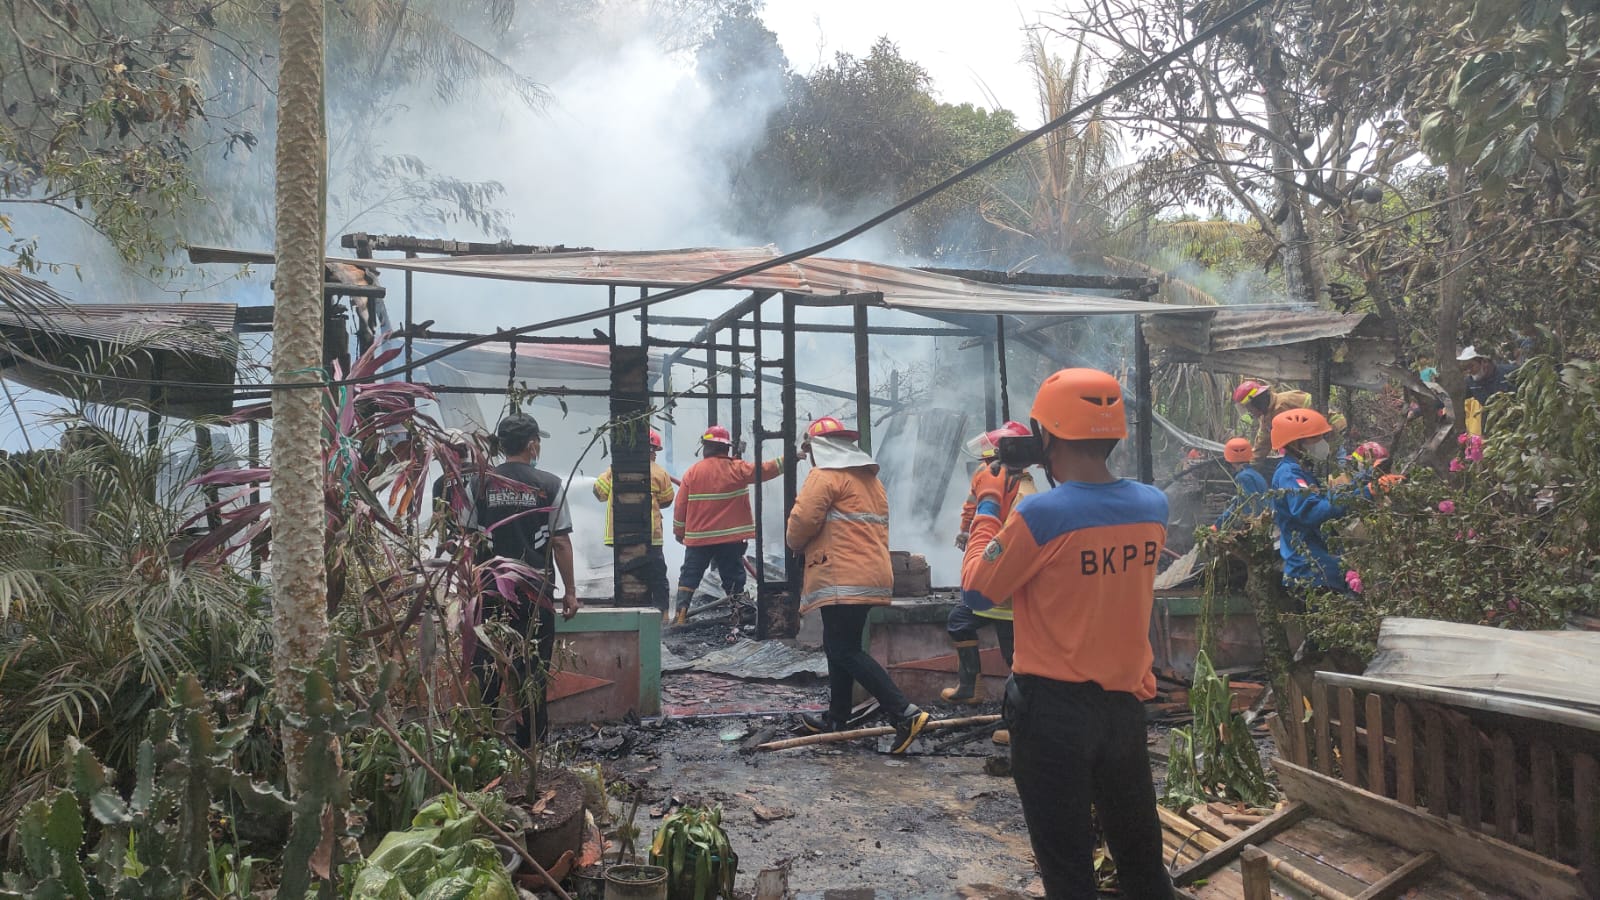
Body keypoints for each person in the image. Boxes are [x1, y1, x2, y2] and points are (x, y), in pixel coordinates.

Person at [961, 368, 1174, 900]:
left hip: (1052, 713)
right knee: (1142, 863)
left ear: (1047, 435)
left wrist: (989, 503)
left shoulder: (1038, 513)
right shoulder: (1153, 506)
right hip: (1123, 708)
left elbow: (978, 592)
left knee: (1068, 870)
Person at [789, 416, 930, 753]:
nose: (809, 456)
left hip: (842, 576)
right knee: (839, 644)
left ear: (819, 448)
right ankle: (836, 718)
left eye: (810, 449)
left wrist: (795, 544)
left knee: (843, 648)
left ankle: (904, 712)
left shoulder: (824, 477)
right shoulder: (869, 480)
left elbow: (801, 523)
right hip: (869, 575)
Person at [474, 413, 578, 749]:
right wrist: (571, 593)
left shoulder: (479, 482)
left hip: (488, 592)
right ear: (532, 444)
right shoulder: (548, 484)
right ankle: (532, 746)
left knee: (486, 667)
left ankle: (483, 745)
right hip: (535, 595)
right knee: (532, 670)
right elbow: (560, 541)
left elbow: (466, 539)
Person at [943, 423, 1036, 747]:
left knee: (1018, 663)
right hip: (991, 591)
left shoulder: (1023, 492)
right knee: (958, 621)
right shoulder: (994, 482)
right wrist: (967, 530)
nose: (983, 466)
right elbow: (976, 508)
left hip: (1009, 595)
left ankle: (1017, 726)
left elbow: (1009, 544)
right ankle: (970, 687)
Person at [671, 425, 782, 624]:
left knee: (690, 574)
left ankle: (680, 615)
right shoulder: (737, 469)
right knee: (733, 577)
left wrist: (679, 532)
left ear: (706, 447)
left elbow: (680, 506)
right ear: (726, 448)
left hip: (699, 539)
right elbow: (765, 470)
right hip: (730, 540)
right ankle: (738, 614)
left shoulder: (692, 472)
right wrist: (788, 459)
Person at [1268, 408, 1360, 596]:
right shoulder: (1289, 475)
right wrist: (1362, 494)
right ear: (1295, 443)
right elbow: (1312, 512)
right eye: (1315, 438)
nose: (1322, 443)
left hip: (1322, 568)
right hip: (1312, 572)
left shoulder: (1302, 472)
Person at [593, 427, 676, 615]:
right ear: (651, 450)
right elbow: (667, 500)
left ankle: (628, 611)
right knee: (657, 575)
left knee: (626, 575)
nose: (655, 454)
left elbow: (599, 492)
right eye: (654, 450)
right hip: (651, 536)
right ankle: (662, 614)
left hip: (622, 536)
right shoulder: (660, 473)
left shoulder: (615, 469)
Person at [1234, 380, 1346, 462]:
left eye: (1250, 408)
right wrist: (1249, 465)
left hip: (1331, 436)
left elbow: (1295, 441)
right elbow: (1262, 445)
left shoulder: (1282, 406)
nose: (1250, 412)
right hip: (1317, 445)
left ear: (1257, 402)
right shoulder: (1267, 417)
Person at [1457, 345, 1515, 435]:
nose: (1469, 371)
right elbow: (1457, 398)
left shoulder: (1510, 373)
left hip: (1516, 422)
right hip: (1493, 428)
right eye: (1465, 368)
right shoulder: (1470, 382)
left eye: (1471, 366)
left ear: (1484, 362)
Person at [1214, 436, 1268, 530]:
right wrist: (1218, 523)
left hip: (1256, 526)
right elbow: (1240, 502)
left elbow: (1248, 506)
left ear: (1229, 459)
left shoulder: (1242, 477)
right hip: (1265, 522)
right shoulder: (1255, 474)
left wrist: (1218, 525)